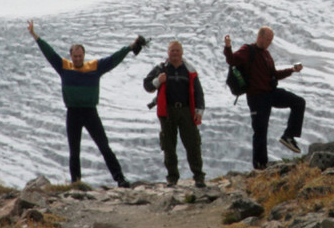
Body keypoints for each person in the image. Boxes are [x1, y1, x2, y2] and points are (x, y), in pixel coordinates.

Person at [28, 20, 144, 187]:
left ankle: (120, 179)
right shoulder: (64, 67)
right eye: (75, 56)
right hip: (73, 113)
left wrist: (131, 46)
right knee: (74, 151)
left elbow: (114, 59)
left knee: (104, 147)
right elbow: (49, 53)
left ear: (84, 55)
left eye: (80, 56)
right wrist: (35, 35)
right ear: (71, 56)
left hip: (90, 112)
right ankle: (76, 184)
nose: (77, 58)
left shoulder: (94, 67)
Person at [223, 27, 305, 170]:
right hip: (256, 98)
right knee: (260, 131)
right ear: (259, 37)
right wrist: (228, 47)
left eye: (271, 40)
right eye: (267, 39)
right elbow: (232, 60)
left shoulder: (266, 54)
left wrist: (292, 70)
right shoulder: (248, 50)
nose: (269, 43)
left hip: (271, 93)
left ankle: (289, 136)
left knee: (299, 102)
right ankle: (260, 166)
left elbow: (274, 74)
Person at [143, 41, 206, 188]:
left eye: (177, 51)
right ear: (168, 53)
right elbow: (147, 85)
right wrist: (158, 80)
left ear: (182, 52)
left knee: (193, 144)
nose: (175, 53)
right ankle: (172, 178)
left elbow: (198, 92)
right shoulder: (161, 68)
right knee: (168, 146)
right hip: (167, 112)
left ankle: (199, 177)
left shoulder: (189, 70)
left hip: (186, 111)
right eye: (172, 51)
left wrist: (199, 111)